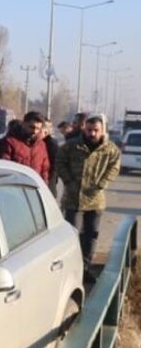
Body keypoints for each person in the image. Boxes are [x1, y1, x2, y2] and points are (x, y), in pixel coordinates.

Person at [56, 114, 121, 267]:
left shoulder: (110, 149)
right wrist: (68, 181)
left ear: (102, 130)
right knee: (72, 235)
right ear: (84, 129)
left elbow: (114, 167)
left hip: (95, 200)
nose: (92, 133)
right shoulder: (72, 146)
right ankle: (72, 266)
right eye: (89, 130)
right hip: (73, 199)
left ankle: (86, 266)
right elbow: (60, 162)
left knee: (91, 236)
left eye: (96, 130)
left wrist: (101, 184)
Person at [0, 111, 50, 183]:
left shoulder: (41, 145)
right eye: (32, 127)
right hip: (15, 186)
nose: (34, 131)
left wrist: (44, 185)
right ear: (23, 124)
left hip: (34, 188)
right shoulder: (10, 142)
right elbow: (4, 166)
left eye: (38, 129)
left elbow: (45, 168)